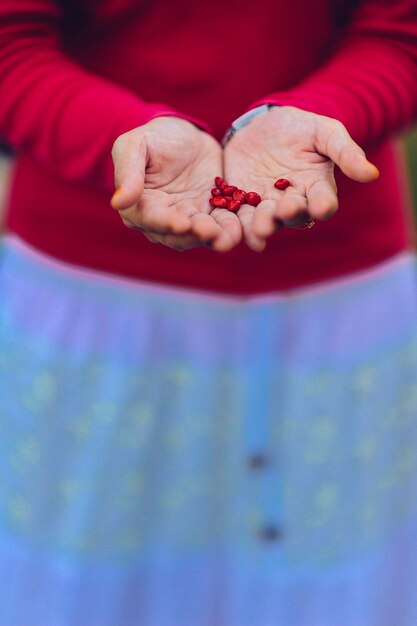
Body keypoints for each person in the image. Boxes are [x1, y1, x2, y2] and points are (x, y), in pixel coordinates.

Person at [0, 0, 417, 624]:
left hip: (337, 299)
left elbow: (400, 30)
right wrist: (118, 134)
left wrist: (328, 114)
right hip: (90, 305)